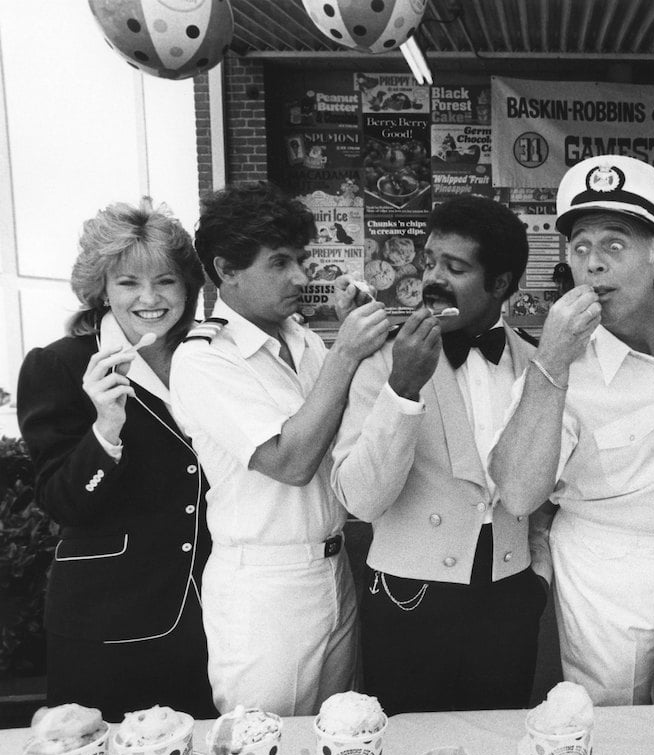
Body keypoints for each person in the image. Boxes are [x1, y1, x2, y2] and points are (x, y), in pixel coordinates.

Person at [490, 155, 654, 706]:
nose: (593, 264)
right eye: (580, 248)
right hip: (607, 567)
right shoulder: (560, 363)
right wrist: (551, 361)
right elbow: (518, 493)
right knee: (612, 721)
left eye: (614, 245)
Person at [170, 181, 390, 716]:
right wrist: (345, 354)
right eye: (279, 263)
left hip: (334, 569)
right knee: (263, 744)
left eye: (301, 259)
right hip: (264, 587)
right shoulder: (204, 358)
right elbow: (289, 462)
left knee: (337, 736)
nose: (301, 276)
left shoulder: (303, 340)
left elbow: (340, 427)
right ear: (227, 270)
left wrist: (350, 341)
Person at [329, 195, 550, 714]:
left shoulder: (537, 362)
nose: (434, 279)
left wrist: (536, 578)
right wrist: (402, 387)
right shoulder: (384, 357)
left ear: (501, 283)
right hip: (409, 596)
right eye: (430, 262)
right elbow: (360, 499)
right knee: (409, 747)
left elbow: (547, 483)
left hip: (509, 595)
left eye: (456, 268)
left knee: (500, 740)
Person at [16, 199, 216, 720]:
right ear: (102, 289)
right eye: (129, 283)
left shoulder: (212, 355)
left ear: (188, 288)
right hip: (107, 621)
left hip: (214, 612)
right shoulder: (59, 365)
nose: (149, 298)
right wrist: (105, 428)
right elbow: (60, 501)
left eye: (166, 281)